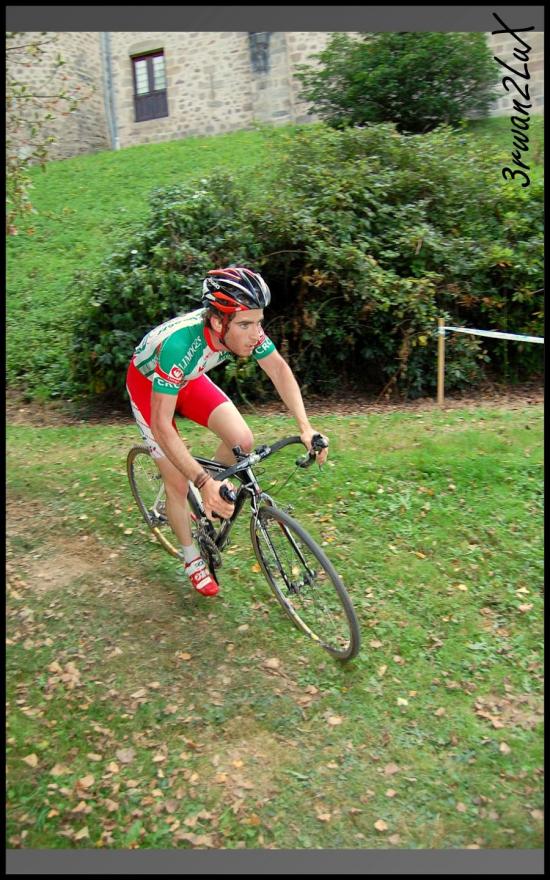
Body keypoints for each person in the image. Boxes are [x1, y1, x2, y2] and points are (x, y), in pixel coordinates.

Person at [126, 266, 329, 597]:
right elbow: (162, 426)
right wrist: (203, 482)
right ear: (219, 322)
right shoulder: (180, 345)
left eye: (259, 322)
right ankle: (191, 557)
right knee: (177, 481)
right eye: (246, 325)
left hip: (188, 380)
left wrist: (305, 427)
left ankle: (200, 499)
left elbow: (278, 368)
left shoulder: (238, 328)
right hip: (148, 386)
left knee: (242, 440)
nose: (256, 333)